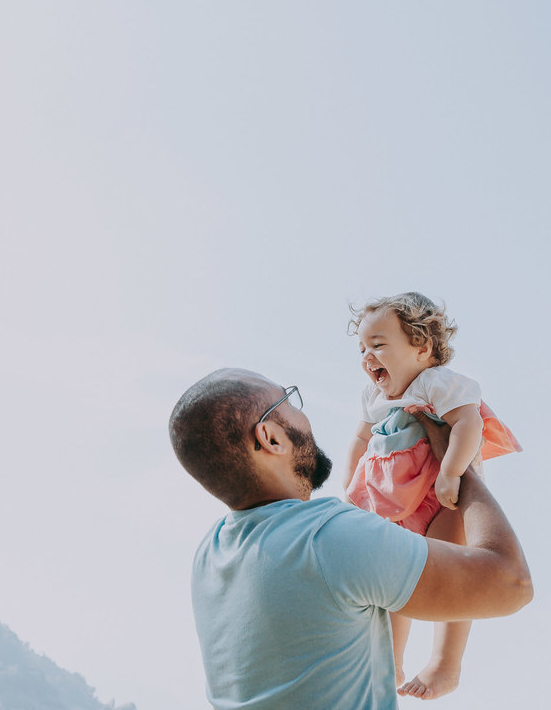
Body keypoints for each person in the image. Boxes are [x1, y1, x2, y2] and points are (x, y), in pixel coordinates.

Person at [169, 368, 531, 710]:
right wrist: (455, 463)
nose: (304, 417)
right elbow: (511, 584)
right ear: (271, 437)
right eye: (290, 403)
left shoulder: (209, 557)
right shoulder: (327, 536)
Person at [344, 292, 522, 700]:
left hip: (441, 494)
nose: (367, 356)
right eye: (362, 348)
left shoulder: (436, 382)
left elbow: (467, 424)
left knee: (457, 573)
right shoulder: (375, 396)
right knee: (394, 584)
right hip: (393, 501)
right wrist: (351, 480)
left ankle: (446, 662)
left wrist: (452, 471)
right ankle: (390, 661)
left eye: (378, 345)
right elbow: (360, 437)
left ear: (422, 348)